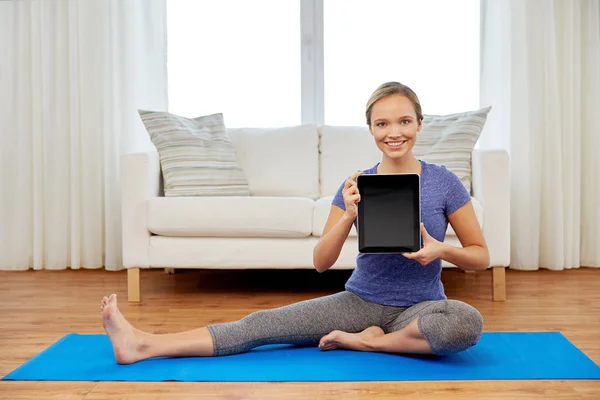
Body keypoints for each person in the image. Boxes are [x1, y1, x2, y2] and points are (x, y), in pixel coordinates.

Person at [100, 81, 489, 365]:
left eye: (404, 121)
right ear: (371, 130)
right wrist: (349, 216)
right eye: (382, 124)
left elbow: (480, 256)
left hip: (422, 308)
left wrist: (441, 250)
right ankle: (144, 344)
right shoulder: (355, 185)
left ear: (419, 124)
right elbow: (321, 261)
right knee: (262, 324)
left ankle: (370, 343)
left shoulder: (443, 182)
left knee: (465, 323)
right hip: (358, 303)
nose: (394, 133)